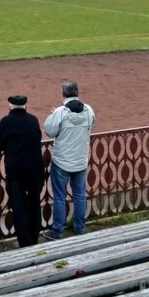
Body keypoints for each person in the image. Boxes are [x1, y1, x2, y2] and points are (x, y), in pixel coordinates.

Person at [0, 95, 45, 248]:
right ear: (26, 106)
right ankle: (34, 239)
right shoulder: (33, 119)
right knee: (35, 204)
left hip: (16, 171)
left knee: (19, 206)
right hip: (35, 169)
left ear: (9, 106)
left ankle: (24, 242)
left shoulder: (6, 121)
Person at [43, 80, 95, 240]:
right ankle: (80, 227)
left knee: (59, 196)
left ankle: (57, 230)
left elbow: (49, 131)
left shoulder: (60, 112)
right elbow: (91, 124)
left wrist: (54, 115)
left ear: (63, 94)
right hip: (80, 160)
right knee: (79, 195)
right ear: (77, 92)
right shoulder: (88, 110)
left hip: (62, 161)